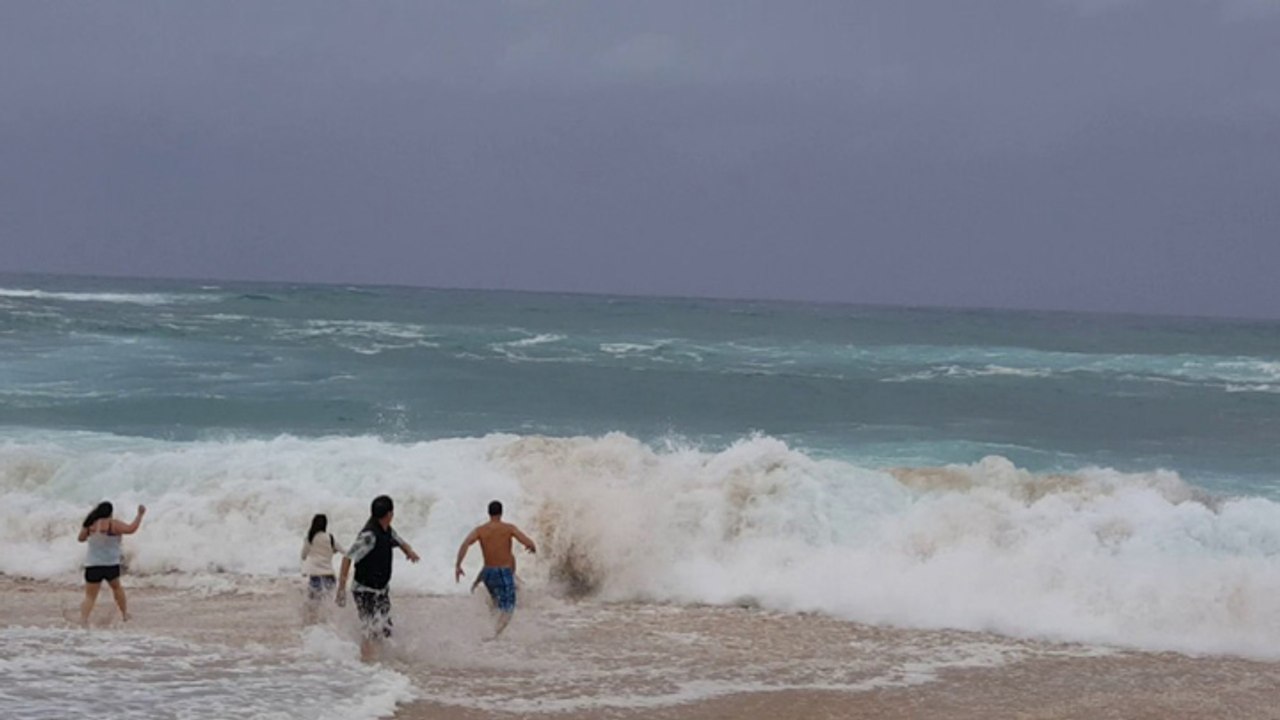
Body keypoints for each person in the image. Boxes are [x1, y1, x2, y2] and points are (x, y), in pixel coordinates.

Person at [336, 495, 420, 661]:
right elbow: (347, 557)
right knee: (371, 628)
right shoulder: (369, 536)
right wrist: (341, 588)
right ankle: (365, 662)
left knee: (386, 628)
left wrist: (409, 552)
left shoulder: (386, 529)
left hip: (380, 590)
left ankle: (379, 662)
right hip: (364, 590)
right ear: (389, 514)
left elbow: (399, 541)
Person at [455, 500, 537, 638]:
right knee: (508, 609)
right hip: (502, 572)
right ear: (501, 512)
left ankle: (488, 631)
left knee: (496, 605)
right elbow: (528, 542)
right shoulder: (508, 528)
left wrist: (458, 565)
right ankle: (493, 636)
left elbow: (465, 543)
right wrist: (532, 547)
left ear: (489, 513)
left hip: (487, 573)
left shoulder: (480, 530)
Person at [77, 501, 145, 627]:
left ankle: (83, 620)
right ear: (110, 512)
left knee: (90, 597)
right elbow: (131, 529)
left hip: (93, 565)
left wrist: (90, 532)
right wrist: (140, 515)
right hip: (110, 565)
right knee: (117, 589)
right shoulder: (113, 524)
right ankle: (124, 614)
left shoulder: (90, 524)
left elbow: (80, 539)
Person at [300, 513, 343, 624]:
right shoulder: (330, 538)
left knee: (313, 608)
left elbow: (303, 556)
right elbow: (345, 552)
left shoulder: (309, 539)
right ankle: (329, 628)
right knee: (328, 607)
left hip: (315, 577)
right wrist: (333, 551)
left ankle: (316, 631)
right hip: (329, 576)